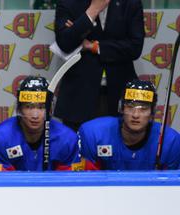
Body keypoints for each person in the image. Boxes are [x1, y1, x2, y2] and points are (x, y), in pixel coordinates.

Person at [53, 0, 145, 130]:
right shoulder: (69, 2)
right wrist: (93, 10)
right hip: (79, 94)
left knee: (118, 147)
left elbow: (135, 47)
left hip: (119, 92)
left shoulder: (130, 3)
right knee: (79, 147)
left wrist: (93, 46)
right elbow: (65, 42)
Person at [78, 79, 180, 170]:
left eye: (143, 109)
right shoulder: (93, 133)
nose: (135, 115)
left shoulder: (170, 141)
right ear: (122, 109)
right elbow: (84, 180)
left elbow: (174, 187)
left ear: (152, 113)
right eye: (130, 107)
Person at [0, 76, 80, 171]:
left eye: (41, 107)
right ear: (19, 108)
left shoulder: (67, 139)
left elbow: (71, 183)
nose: (35, 115)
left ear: (50, 109)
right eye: (29, 107)